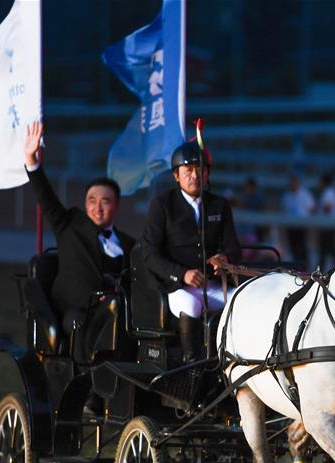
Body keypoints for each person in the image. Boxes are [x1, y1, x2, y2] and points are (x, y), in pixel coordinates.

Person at [23, 122, 136, 417]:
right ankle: (88, 392)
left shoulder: (128, 243)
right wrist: (32, 162)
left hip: (116, 310)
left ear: (117, 206)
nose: (98, 208)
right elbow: (46, 199)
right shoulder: (70, 225)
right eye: (92, 201)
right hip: (77, 310)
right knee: (86, 324)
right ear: (85, 205)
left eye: (105, 202)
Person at [141, 141, 241, 361]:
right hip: (176, 287)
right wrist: (182, 273)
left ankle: (237, 361)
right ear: (176, 175)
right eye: (188, 171)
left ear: (207, 174)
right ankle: (192, 365)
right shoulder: (162, 205)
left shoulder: (219, 205)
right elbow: (149, 253)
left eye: (200, 170)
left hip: (213, 284)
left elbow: (234, 247)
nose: (195, 176)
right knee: (191, 305)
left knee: (242, 300)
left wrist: (225, 259)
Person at [281, 174, 315, 267]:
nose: (293, 185)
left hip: (302, 225)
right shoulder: (287, 196)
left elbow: (312, 208)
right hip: (291, 226)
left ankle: (305, 268)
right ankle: (295, 268)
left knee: (303, 248)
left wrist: (306, 218)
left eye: (294, 183)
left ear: (298, 183)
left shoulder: (305, 194)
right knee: (293, 248)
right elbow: (285, 210)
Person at [316, 173, 335, 270]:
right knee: (328, 251)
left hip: (328, 226)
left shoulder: (329, 193)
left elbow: (327, 208)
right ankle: (324, 269)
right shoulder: (331, 192)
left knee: (329, 251)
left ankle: (324, 270)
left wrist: (318, 210)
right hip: (328, 225)